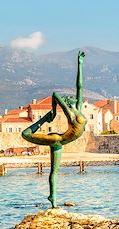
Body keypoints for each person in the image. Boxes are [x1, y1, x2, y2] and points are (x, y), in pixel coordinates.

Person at [22, 51, 87, 207]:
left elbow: (80, 86)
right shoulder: (70, 113)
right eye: (69, 98)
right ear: (66, 102)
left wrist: (80, 64)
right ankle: (45, 117)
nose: (73, 97)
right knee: (25, 134)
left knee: (54, 171)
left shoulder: (77, 108)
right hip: (57, 139)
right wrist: (53, 111)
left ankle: (53, 198)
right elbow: (55, 94)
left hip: (61, 141)